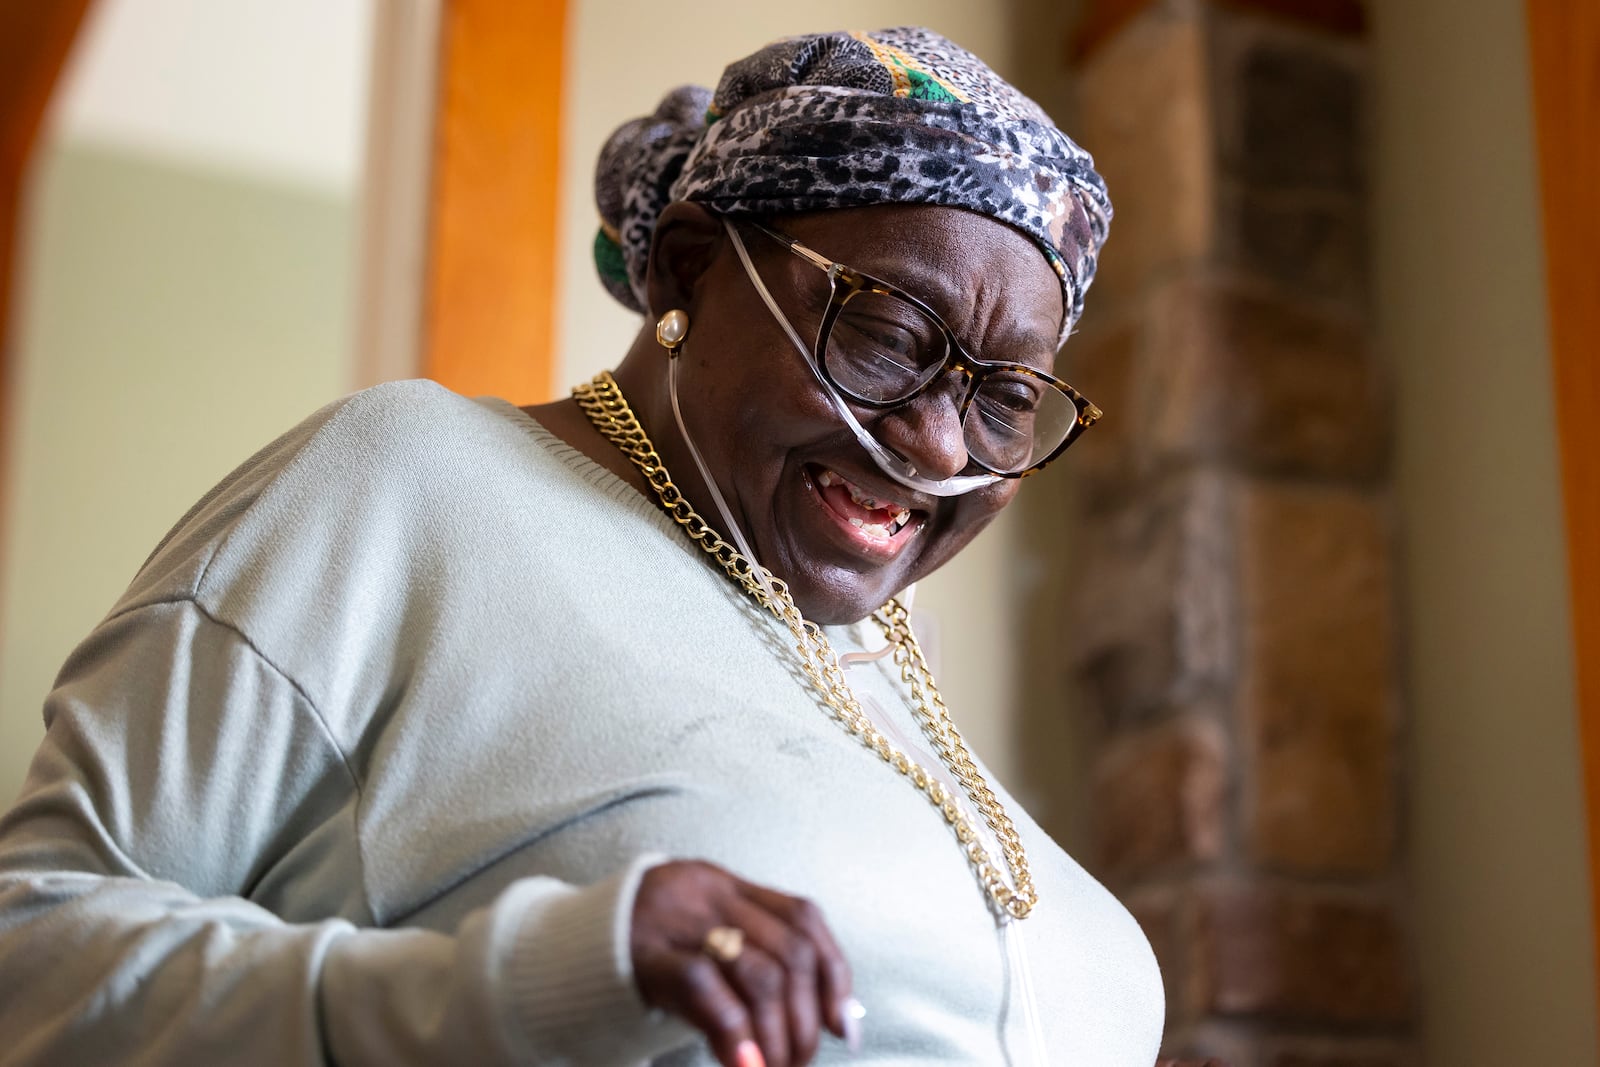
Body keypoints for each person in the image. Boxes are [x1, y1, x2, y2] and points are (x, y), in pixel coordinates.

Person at [0, 27, 1175, 1067]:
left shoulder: (871, 662)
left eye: (1005, 397)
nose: (931, 442)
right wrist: (537, 976)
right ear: (689, 266)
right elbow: (30, 959)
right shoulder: (413, 481)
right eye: (880, 331)